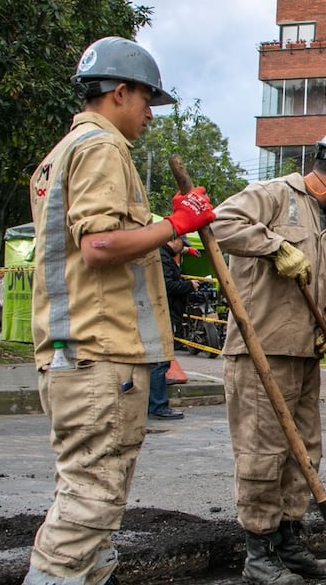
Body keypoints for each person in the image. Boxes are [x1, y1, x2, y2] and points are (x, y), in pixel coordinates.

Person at [22, 36, 215, 585]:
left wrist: (165, 233)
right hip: (98, 353)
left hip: (79, 350)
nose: (150, 114)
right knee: (90, 502)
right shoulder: (101, 149)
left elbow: (104, 240)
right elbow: (100, 245)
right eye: (146, 100)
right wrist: (178, 224)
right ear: (119, 91)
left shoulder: (61, 154)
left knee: (91, 499)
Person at [212, 124, 326, 585]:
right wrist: (274, 246)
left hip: (304, 358)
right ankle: (259, 553)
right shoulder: (271, 195)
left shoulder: (325, 224)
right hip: (261, 355)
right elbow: (220, 223)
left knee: (303, 454)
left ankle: (289, 542)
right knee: (262, 454)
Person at [151, 236, 196, 421]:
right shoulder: (163, 259)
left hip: (165, 312)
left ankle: (156, 403)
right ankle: (158, 405)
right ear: (172, 241)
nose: (182, 248)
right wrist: (189, 285)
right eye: (181, 244)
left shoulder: (163, 254)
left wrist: (188, 251)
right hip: (164, 312)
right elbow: (167, 285)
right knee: (160, 360)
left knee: (161, 360)